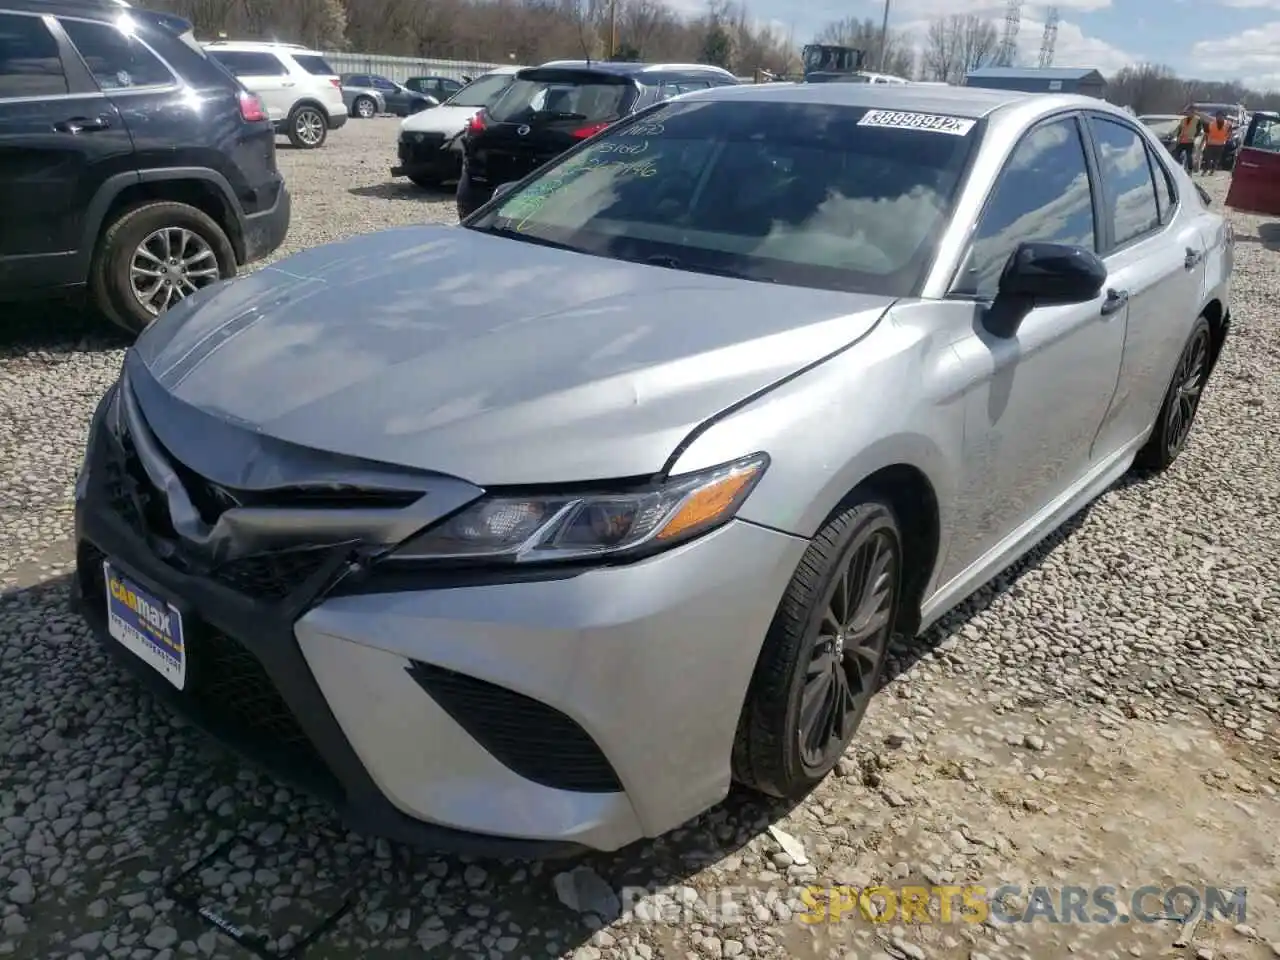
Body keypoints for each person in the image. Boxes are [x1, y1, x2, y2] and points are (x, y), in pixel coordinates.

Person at [1173, 106, 1203, 173]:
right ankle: (1178, 166)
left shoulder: (1197, 120)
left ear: (1194, 112)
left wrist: (1195, 137)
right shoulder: (1183, 120)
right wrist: (1178, 137)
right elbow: (1179, 130)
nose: (1190, 113)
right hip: (1182, 140)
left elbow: (1199, 131)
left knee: (1189, 156)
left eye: (1192, 112)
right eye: (1189, 111)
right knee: (1176, 154)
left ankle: (1190, 170)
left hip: (1191, 141)